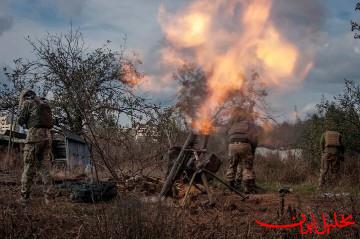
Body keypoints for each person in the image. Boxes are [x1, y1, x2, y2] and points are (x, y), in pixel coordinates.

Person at [17, 89, 54, 205]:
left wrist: (21, 111)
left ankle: (24, 198)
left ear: (25, 96)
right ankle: (49, 199)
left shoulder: (27, 103)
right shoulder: (43, 103)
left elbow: (21, 120)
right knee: (45, 168)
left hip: (34, 136)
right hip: (48, 136)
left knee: (28, 167)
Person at [226, 111, 259, 193]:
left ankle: (231, 187)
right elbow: (254, 139)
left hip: (231, 145)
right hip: (244, 144)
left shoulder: (234, 124)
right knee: (247, 167)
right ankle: (247, 188)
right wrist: (252, 150)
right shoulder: (250, 124)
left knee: (232, 166)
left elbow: (228, 135)